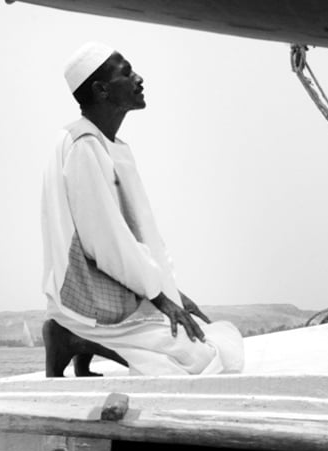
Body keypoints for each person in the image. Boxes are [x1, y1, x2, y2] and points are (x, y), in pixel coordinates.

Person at [41, 42, 244, 376]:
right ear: (101, 90)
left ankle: (81, 348)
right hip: (91, 299)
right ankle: (71, 337)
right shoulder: (83, 145)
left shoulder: (106, 144)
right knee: (200, 359)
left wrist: (171, 293)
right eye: (127, 73)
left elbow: (135, 234)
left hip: (118, 291)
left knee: (204, 337)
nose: (139, 78)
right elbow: (105, 241)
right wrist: (161, 298)